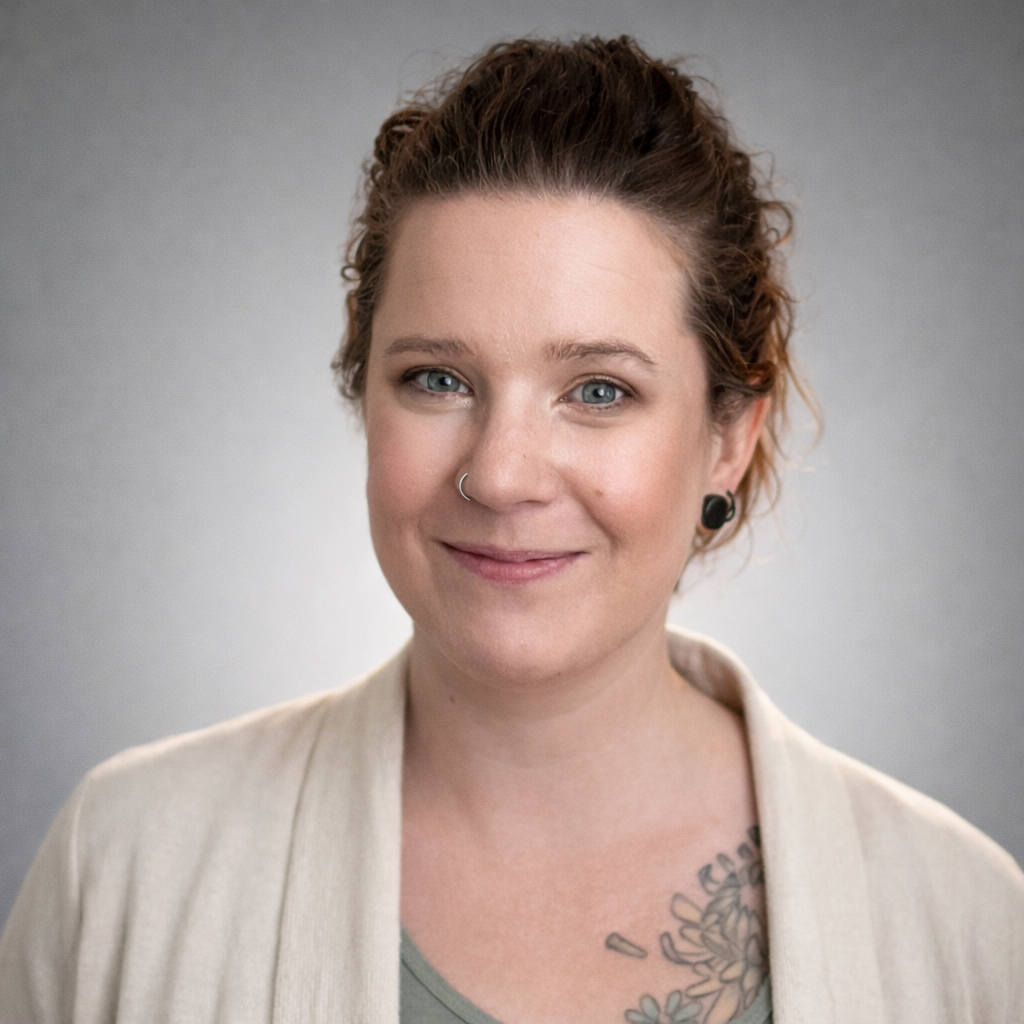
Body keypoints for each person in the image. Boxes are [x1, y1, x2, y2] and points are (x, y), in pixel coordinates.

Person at [1, 35, 1021, 1024]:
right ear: (365, 395)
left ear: (727, 439)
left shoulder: (969, 926)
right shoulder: (124, 868)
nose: (498, 473)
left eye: (597, 389)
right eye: (436, 379)